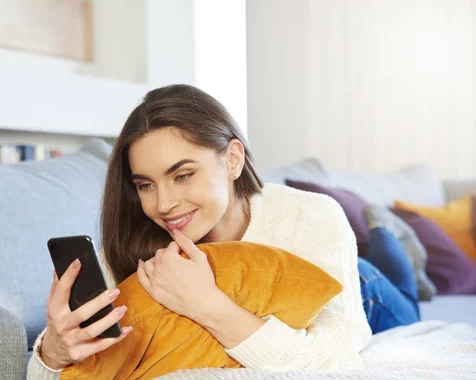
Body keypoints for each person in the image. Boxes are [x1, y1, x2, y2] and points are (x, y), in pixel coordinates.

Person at [27, 84, 419, 379]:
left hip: (366, 294)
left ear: (232, 159)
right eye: (145, 184)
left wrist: (207, 305)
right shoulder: (137, 241)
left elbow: (339, 361)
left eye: (183, 175)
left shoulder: (309, 216)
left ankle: (384, 229)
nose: (163, 205)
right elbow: (51, 372)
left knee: (403, 294)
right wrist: (54, 353)